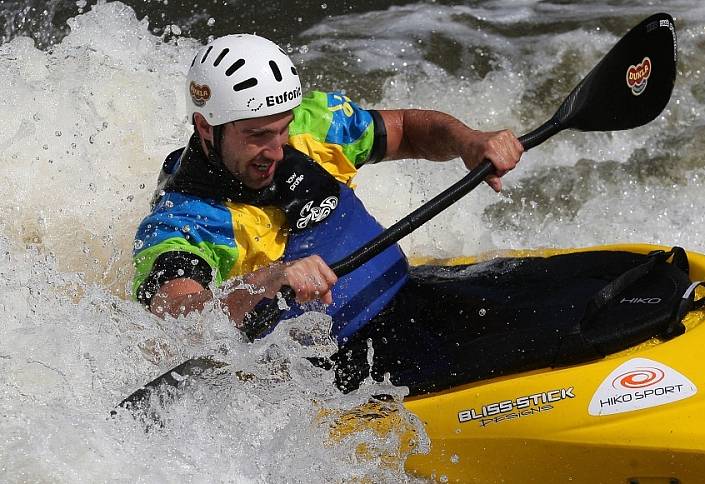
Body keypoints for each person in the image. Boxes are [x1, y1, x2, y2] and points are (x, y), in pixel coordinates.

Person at [132, 34, 522, 389]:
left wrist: (467, 141)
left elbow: (404, 128)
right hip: (348, 372)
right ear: (205, 126)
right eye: (257, 136)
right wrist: (268, 279)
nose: (277, 150)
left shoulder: (310, 123)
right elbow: (179, 317)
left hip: (407, 294)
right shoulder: (184, 220)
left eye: (282, 129)